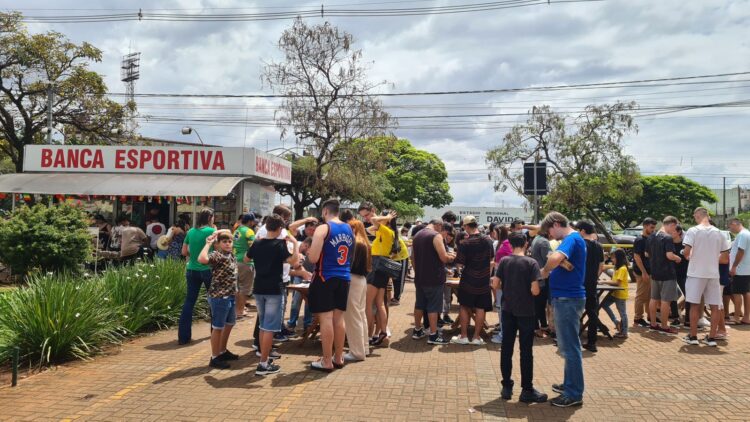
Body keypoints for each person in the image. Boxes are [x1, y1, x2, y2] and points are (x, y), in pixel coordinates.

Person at [493, 232, 548, 403]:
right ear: (526, 243)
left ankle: (507, 386)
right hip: (526, 311)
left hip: (508, 308)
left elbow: (495, 284)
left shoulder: (504, 261)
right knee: (526, 351)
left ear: (510, 244)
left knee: (506, 348)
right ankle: (527, 389)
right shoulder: (531, 263)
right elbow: (535, 290)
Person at [539, 211, 586, 408]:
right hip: (567, 298)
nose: (550, 235)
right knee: (567, 346)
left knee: (570, 347)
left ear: (557, 224)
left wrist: (545, 270)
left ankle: (573, 392)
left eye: (550, 230)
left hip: (567, 299)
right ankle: (570, 385)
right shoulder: (574, 239)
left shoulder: (570, 239)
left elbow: (556, 257)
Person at [245, 214, 299, 375]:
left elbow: (246, 258)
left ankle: (264, 358)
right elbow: (294, 262)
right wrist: (295, 244)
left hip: (259, 287)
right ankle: (263, 364)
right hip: (274, 289)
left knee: (263, 325)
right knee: (269, 328)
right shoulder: (280, 244)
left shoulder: (258, 242)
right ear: (280, 228)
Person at [307, 199, 353, 371]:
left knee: (326, 318)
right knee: (338, 318)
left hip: (325, 276)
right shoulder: (349, 228)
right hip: (344, 276)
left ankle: (326, 360)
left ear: (325, 211)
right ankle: (339, 357)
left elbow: (313, 258)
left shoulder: (323, 228)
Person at [682, 207, 731, 347]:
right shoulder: (719, 233)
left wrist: (692, 257)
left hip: (696, 273)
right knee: (715, 305)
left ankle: (693, 336)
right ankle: (711, 337)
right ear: (708, 216)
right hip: (713, 273)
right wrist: (711, 259)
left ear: (698, 216)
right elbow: (725, 257)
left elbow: (686, 252)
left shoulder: (693, 230)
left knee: (694, 304)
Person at [197, 230, 239, 369]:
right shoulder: (218, 255)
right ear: (218, 244)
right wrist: (208, 243)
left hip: (230, 295)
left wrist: (218, 231)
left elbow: (227, 232)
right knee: (218, 327)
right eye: (224, 242)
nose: (227, 244)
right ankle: (215, 357)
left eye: (229, 241)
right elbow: (202, 259)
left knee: (229, 323)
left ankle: (222, 350)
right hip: (219, 296)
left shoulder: (230, 254)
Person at [451, 215, 494, 346]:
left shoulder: (465, 243)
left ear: (466, 226)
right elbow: (492, 259)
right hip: (483, 280)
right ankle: (476, 337)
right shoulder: (488, 240)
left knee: (464, 306)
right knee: (481, 308)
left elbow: (459, 264)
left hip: (468, 279)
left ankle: (463, 336)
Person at [411, 219, 455, 345]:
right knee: (433, 306)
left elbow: (412, 258)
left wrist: (417, 271)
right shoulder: (435, 236)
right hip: (434, 277)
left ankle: (417, 330)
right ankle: (433, 334)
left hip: (420, 277)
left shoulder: (418, 235)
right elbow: (444, 257)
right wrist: (452, 256)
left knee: (419, 304)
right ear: (439, 225)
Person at [178, 208, 216, 345]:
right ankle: (215, 333)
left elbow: (184, 252)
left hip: (192, 269)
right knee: (213, 301)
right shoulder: (212, 232)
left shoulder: (190, 232)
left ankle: (183, 337)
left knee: (189, 302)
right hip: (208, 269)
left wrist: (194, 253)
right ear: (210, 217)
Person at [365, 210, 400, 346]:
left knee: (368, 304)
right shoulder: (385, 231)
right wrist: (384, 219)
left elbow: (373, 221)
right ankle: (383, 332)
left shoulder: (386, 231)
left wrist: (387, 217)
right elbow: (369, 228)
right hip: (382, 267)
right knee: (379, 303)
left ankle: (368, 336)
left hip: (377, 266)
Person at [646, 216, 682, 335]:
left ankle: (653, 324)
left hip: (655, 272)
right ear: (671, 224)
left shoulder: (651, 236)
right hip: (667, 273)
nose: (674, 230)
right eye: (674, 227)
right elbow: (669, 255)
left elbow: (646, 254)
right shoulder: (667, 238)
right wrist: (678, 258)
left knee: (654, 298)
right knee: (666, 301)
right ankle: (665, 326)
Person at [344, 219, 371, 362]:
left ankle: (356, 352)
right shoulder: (365, 243)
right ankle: (363, 348)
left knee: (353, 317)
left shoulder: (355, 243)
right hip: (361, 280)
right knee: (361, 316)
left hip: (353, 280)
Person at [575, 220, 604, 352]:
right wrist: (594, 277)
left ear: (582, 231)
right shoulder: (598, 246)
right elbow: (601, 266)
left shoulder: (579, 244)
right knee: (593, 312)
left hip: (578, 283)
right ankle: (592, 342)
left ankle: (573, 339)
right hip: (592, 283)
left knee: (574, 312)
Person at [633, 218, 657, 327]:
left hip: (650, 271)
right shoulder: (640, 240)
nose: (653, 230)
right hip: (642, 272)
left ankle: (650, 315)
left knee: (650, 295)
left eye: (654, 228)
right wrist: (644, 272)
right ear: (645, 226)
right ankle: (638, 317)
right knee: (641, 295)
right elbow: (637, 257)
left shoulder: (651, 238)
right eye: (651, 227)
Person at [600, 249, 630, 338]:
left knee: (622, 313)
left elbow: (617, 283)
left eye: (613, 258)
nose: (612, 259)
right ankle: (616, 322)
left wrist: (605, 282)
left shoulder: (622, 268)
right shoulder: (617, 267)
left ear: (618, 258)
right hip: (614, 293)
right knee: (604, 304)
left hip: (620, 294)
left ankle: (624, 332)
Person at [287, 237, 314, 331]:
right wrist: (302, 271)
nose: (308, 252)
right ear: (306, 245)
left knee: (309, 302)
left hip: (310, 278)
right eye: (308, 249)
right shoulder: (294, 247)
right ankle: (292, 323)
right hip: (299, 277)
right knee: (296, 301)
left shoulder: (311, 250)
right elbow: (291, 268)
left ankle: (307, 324)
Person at [233, 213, 256, 319]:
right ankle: (240, 311)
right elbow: (254, 247)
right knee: (244, 288)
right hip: (246, 262)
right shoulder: (249, 231)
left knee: (238, 287)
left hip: (235, 260)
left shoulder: (237, 230)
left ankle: (237, 310)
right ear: (250, 221)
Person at [491, 226, 512, 344]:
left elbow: (501, 265)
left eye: (494, 232)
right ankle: (503, 332)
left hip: (502, 282)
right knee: (501, 307)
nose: (493, 234)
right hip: (503, 281)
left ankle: (503, 334)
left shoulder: (504, 246)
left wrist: (496, 280)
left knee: (502, 307)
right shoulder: (506, 244)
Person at [530, 229, 552, 338]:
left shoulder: (537, 239)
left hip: (537, 275)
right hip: (543, 276)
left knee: (539, 304)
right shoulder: (544, 242)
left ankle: (543, 325)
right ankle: (536, 328)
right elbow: (549, 259)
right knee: (539, 304)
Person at [728, 218, 750, 324]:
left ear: (734, 224)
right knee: (746, 292)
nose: (730, 229)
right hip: (746, 268)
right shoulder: (747, 233)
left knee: (737, 293)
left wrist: (734, 266)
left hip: (740, 269)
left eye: (730, 226)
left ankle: (736, 317)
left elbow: (741, 251)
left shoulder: (742, 234)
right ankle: (746, 317)